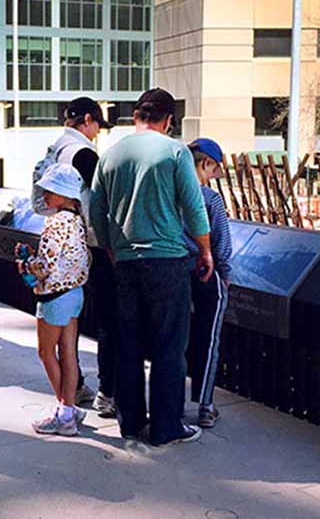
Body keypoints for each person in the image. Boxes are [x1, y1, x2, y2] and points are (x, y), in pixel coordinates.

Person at [89, 88, 214, 446]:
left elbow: (97, 213)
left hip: (126, 263)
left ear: (136, 116)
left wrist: (114, 249)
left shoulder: (109, 156)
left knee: (128, 344)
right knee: (168, 345)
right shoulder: (174, 151)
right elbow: (194, 207)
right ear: (168, 120)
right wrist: (205, 250)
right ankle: (166, 426)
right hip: (167, 261)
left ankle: (130, 423)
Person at [31, 97, 115, 412]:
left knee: (68, 337)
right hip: (86, 245)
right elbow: (99, 202)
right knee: (103, 320)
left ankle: (73, 392)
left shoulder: (54, 149)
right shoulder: (84, 153)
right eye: (97, 125)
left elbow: (39, 202)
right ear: (89, 120)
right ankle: (104, 392)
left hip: (60, 250)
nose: (97, 132)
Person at [16, 163, 92, 436]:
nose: (45, 194)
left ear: (63, 194)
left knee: (46, 352)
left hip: (54, 298)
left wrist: (25, 264)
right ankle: (69, 407)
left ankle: (65, 412)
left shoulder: (55, 222)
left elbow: (45, 265)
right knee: (69, 352)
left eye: (50, 190)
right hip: (74, 294)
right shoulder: (76, 220)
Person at [185, 138, 233, 428]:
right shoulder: (209, 198)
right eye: (213, 171)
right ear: (205, 164)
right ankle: (205, 405)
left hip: (174, 270)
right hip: (205, 271)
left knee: (175, 339)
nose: (213, 178)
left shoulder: (170, 193)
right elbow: (222, 244)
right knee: (208, 339)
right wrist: (224, 276)